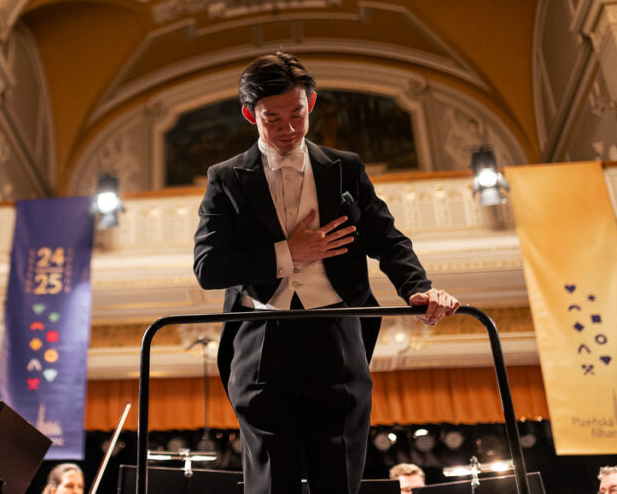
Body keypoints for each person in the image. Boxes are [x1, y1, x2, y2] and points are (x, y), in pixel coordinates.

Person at [193, 52, 459, 494]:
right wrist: (289, 253)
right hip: (262, 338)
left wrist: (418, 287)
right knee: (270, 481)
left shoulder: (346, 168)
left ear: (310, 104)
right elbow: (208, 267)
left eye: (297, 113)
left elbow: (387, 237)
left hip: (337, 333)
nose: (288, 128)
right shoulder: (226, 178)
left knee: (339, 472)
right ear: (250, 115)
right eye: (272, 118)